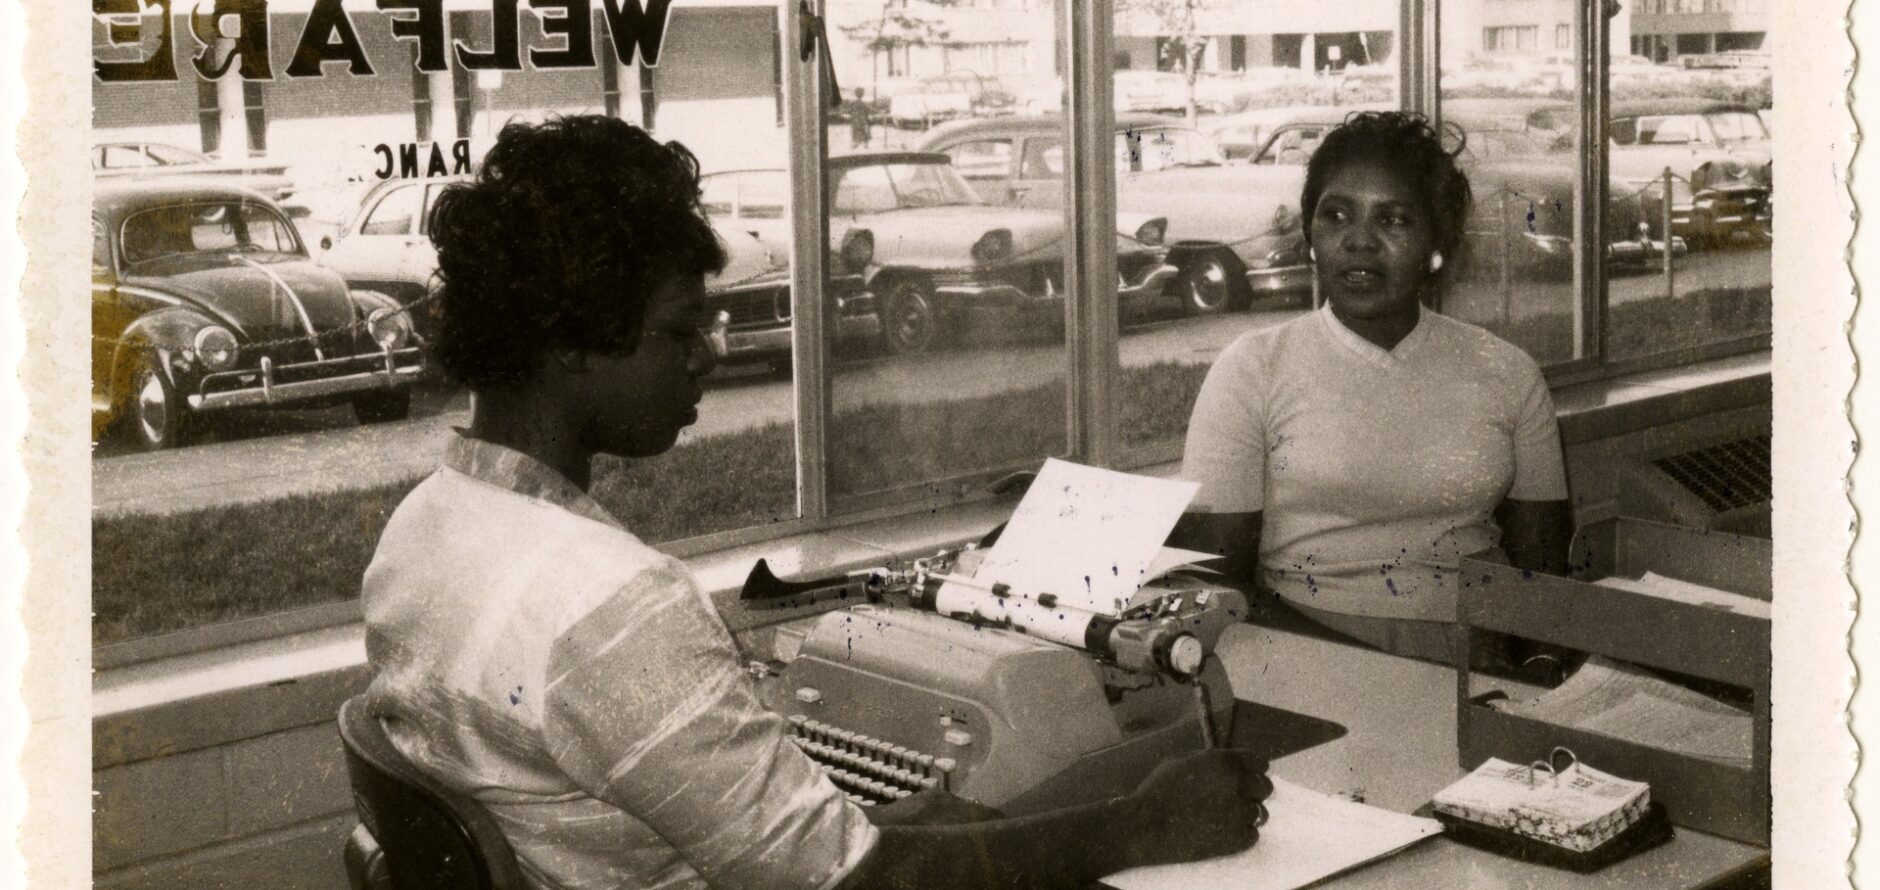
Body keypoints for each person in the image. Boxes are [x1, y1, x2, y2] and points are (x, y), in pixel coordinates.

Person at [360, 115, 1270, 890]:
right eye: (679, 329)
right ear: (569, 343)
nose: (708, 357)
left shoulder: (422, 528)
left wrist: (895, 830)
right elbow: (858, 883)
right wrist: (1138, 825)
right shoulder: (609, 606)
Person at [1171, 111, 1572, 663]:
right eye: (1336, 216)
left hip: (1476, 656)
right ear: (1310, 234)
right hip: (1302, 655)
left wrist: (1540, 677)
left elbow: (1543, 571)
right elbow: (1220, 585)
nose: (1359, 241)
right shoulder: (1252, 370)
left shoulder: (1508, 371)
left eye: (1394, 220)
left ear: (1439, 242)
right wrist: (1381, 670)